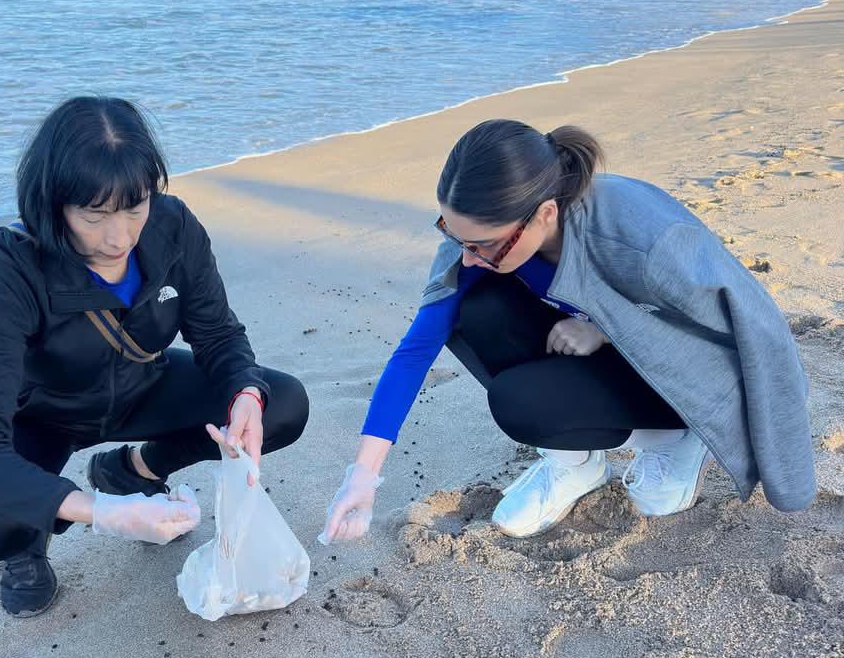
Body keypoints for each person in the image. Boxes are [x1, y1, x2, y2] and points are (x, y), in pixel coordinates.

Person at [320, 119, 815, 544]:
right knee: (477, 308)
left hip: (683, 372)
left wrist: (602, 326)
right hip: (608, 356)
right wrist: (362, 477)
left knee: (521, 400)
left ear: (545, 214)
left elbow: (751, 328)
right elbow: (415, 351)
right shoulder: (481, 235)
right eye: (454, 236)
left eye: (482, 244)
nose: (467, 255)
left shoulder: (644, 239)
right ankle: (575, 465)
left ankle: (678, 437)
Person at [0, 96, 309, 616]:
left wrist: (245, 394)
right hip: (42, 414)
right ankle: (27, 545)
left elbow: (219, 337)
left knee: (282, 404)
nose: (119, 238)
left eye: (134, 207)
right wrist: (104, 513)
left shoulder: (172, 226)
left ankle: (134, 468)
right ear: (53, 203)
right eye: (94, 215)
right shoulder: (12, 266)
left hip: (143, 385)